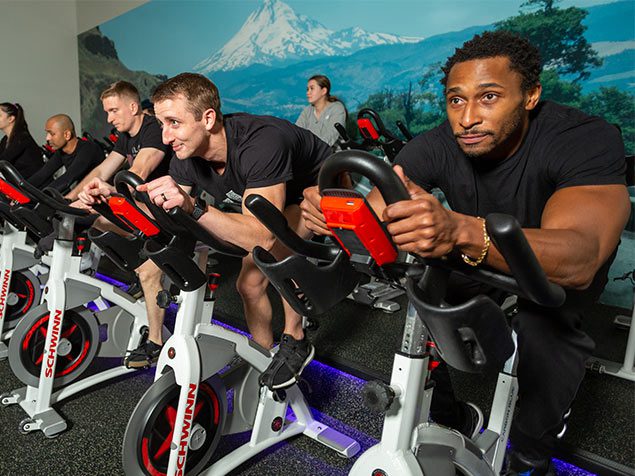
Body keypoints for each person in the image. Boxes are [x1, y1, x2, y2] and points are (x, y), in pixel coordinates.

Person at [300, 31, 629, 475]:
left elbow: (581, 256)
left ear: (530, 95)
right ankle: (453, 418)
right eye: (456, 100)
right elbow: (377, 210)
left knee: (546, 333)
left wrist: (461, 229)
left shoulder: (582, 138)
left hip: (554, 270)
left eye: (488, 97)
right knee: (427, 293)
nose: (468, 118)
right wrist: (336, 212)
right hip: (476, 247)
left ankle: (531, 454)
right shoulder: (440, 143)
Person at [101, 72, 329, 388]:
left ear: (208, 119)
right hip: (270, 196)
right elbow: (171, 217)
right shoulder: (186, 156)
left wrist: (194, 206)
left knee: (274, 253)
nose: (165, 137)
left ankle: (296, 337)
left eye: (174, 123)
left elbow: (261, 236)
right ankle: (260, 353)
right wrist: (109, 203)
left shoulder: (260, 142)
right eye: (162, 124)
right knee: (248, 284)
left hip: (316, 189)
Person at [72, 80, 172, 368]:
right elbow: (102, 169)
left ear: (132, 107)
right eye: (106, 112)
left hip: (167, 207)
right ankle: (141, 266)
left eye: (114, 110)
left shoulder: (153, 129)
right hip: (145, 208)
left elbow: (138, 173)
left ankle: (155, 341)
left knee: (150, 272)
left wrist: (109, 193)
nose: (109, 118)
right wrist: (72, 197)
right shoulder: (126, 135)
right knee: (96, 219)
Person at [28, 114, 104, 193]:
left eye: (52, 134)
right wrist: (19, 189)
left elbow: (68, 177)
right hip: (85, 194)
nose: (47, 138)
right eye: (47, 133)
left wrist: (45, 195)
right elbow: (42, 174)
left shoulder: (88, 149)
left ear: (67, 135)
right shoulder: (62, 152)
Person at [295, 74, 346, 147]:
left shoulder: (337, 108)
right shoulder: (307, 110)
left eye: (312, 88)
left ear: (323, 91)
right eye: (307, 89)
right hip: (310, 153)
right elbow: (297, 132)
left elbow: (332, 136)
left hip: (334, 155)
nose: (308, 92)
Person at [0, 102, 44, 179]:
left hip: (32, 185)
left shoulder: (21, 138)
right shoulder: (5, 140)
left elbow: (4, 159)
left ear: (11, 119)